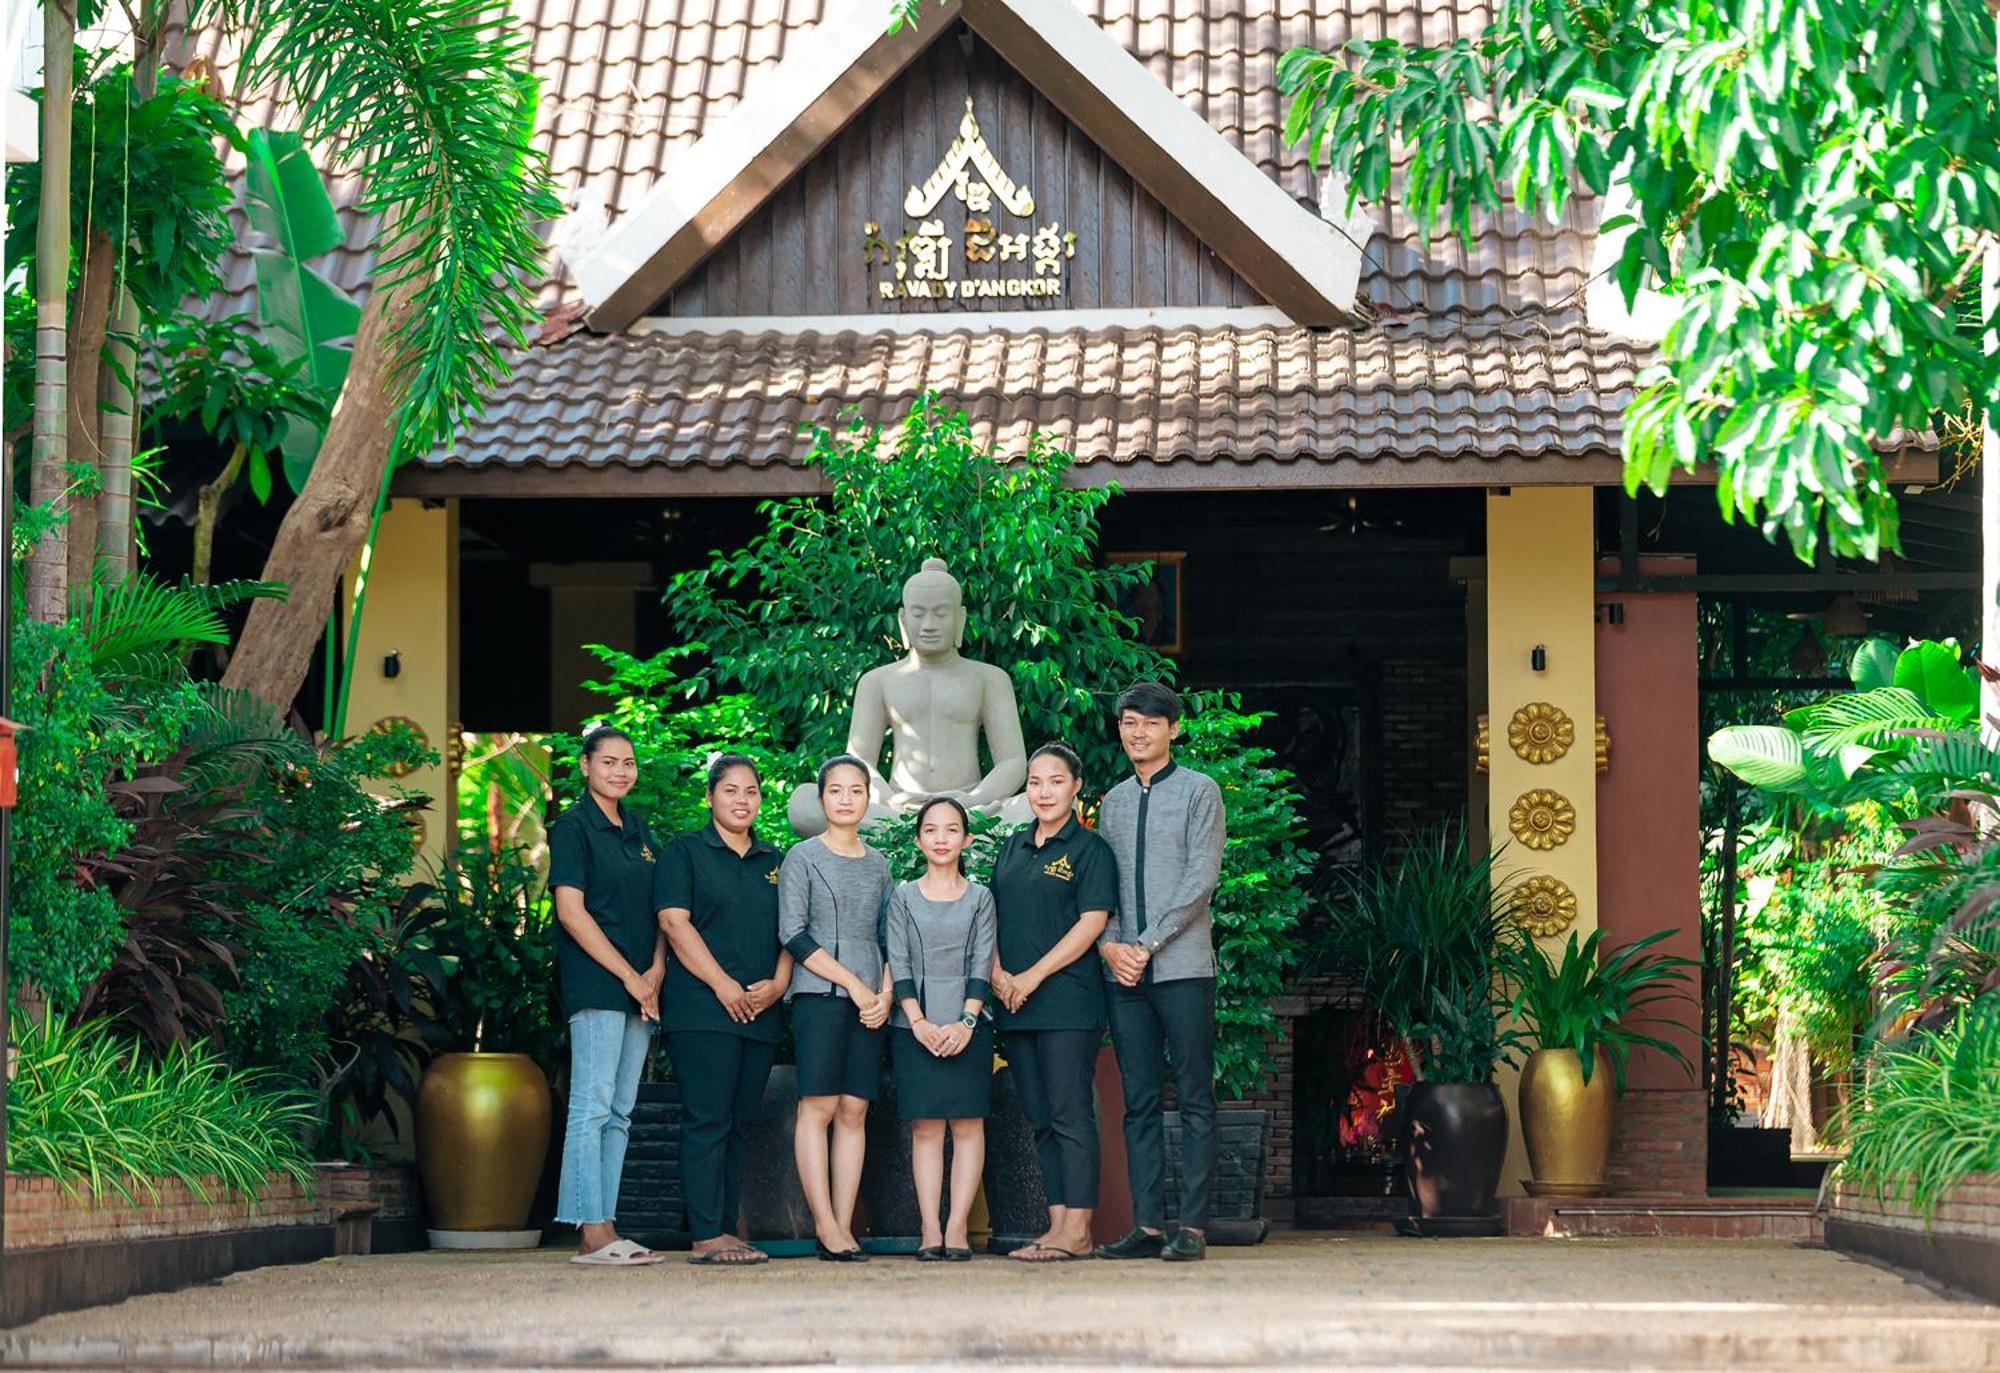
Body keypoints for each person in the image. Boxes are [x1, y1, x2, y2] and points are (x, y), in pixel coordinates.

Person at [1093, 683, 1226, 1263]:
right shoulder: (1114, 800)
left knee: (1195, 1094)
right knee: (1139, 1100)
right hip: (1125, 972)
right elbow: (1100, 887)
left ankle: (1192, 1227)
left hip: (1183, 967)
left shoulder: (1201, 792)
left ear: (1173, 729)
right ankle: (1147, 1226)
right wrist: (1111, 946)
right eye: (1128, 723)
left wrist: (1145, 943)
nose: (1137, 732)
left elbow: (1201, 879)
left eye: (1150, 723)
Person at [655, 754, 793, 1266]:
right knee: (707, 1120)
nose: (742, 800)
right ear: (710, 796)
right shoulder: (685, 852)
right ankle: (705, 1234)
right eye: (731, 790)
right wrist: (723, 985)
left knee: (739, 1123)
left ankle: (727, 1230)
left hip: (761, 1011)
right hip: (702, 1011)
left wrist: (779, 983)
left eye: (752, 791)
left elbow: (793, 929)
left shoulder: (777, 861)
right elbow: (674, 923)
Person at [990, 741, 1116, 1263]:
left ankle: (1081, 1229)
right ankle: (1056, 1225)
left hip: (1068, 1002)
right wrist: (998, 973)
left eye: (1055, 781)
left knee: (1069, 1114)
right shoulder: (1013, 847)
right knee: (1039, 1117)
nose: (1044, 791)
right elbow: (990, 914)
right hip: (1015, 1003)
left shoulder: (1090, 850)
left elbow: (1092, 923)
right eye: (1035, 782)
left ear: (1076, 786)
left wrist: (1034, 975)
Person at [548, 725, 668, 1266]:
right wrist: (631, 976)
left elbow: (661, 911)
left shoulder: (638, 831)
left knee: (621, 1111)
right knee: (591, 1107)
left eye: (628, 763)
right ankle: (588, 1231)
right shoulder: (573, 828)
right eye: (609, 762)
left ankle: (608, 1225)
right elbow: (573, 914)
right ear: (585, 766)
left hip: (642, 986)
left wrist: (657, 972)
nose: (620, 771)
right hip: (600, 984)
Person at [779, 754, 894, 1261]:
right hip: (819, 997)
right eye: (836, 791)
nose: (847, 800)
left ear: (868, 799)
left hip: (872, 1004)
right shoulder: (802, 857)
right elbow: (793, 934)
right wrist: (855, 984)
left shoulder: (880, 864)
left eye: (856, 791)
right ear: (821, 798)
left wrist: (885, 994)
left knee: (855, 1110)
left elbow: (892, 939)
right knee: (819, 1108)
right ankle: (823, 1224)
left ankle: (844, 1227)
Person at [885, 795, 998, 1262]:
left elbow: (982, 959)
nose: (941, 839)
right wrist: (918, 1022)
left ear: (966, 839)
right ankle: (930, 1228)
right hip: (913, 1024)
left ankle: (957, 1229)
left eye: (951, 830)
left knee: (969, 1125)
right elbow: (899, 960)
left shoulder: (980, 898)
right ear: (918, 839)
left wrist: (967, 1021)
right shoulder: (903, 896)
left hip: (970, 1023)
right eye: (931, 830)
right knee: (926, 1128)